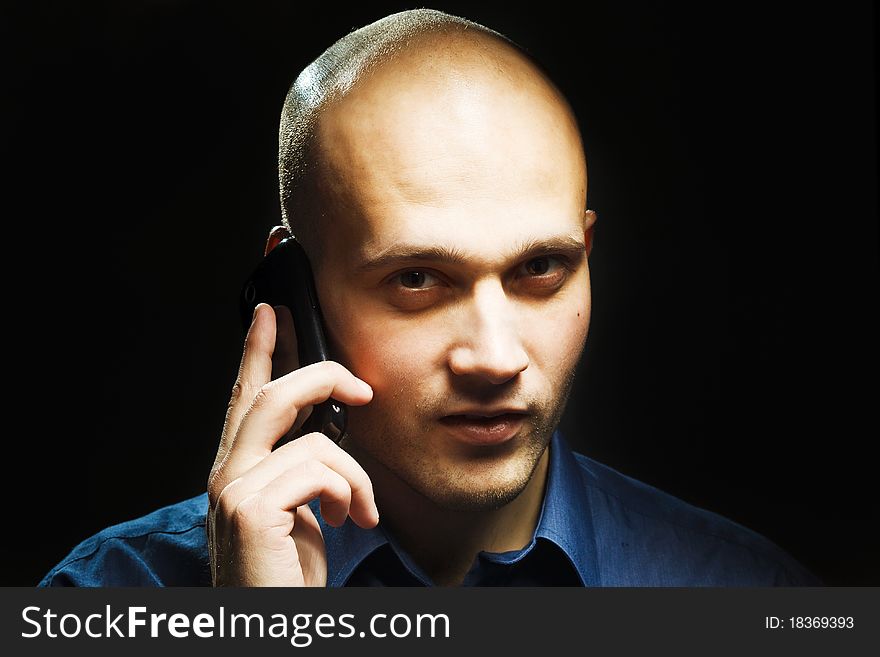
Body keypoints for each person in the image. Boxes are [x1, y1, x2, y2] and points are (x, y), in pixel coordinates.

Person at [39, 8, 818, 587]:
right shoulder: (111, 593)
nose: (495, 358)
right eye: (417, 278)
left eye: (541, 267)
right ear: (294, 287)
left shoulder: (748, 590)